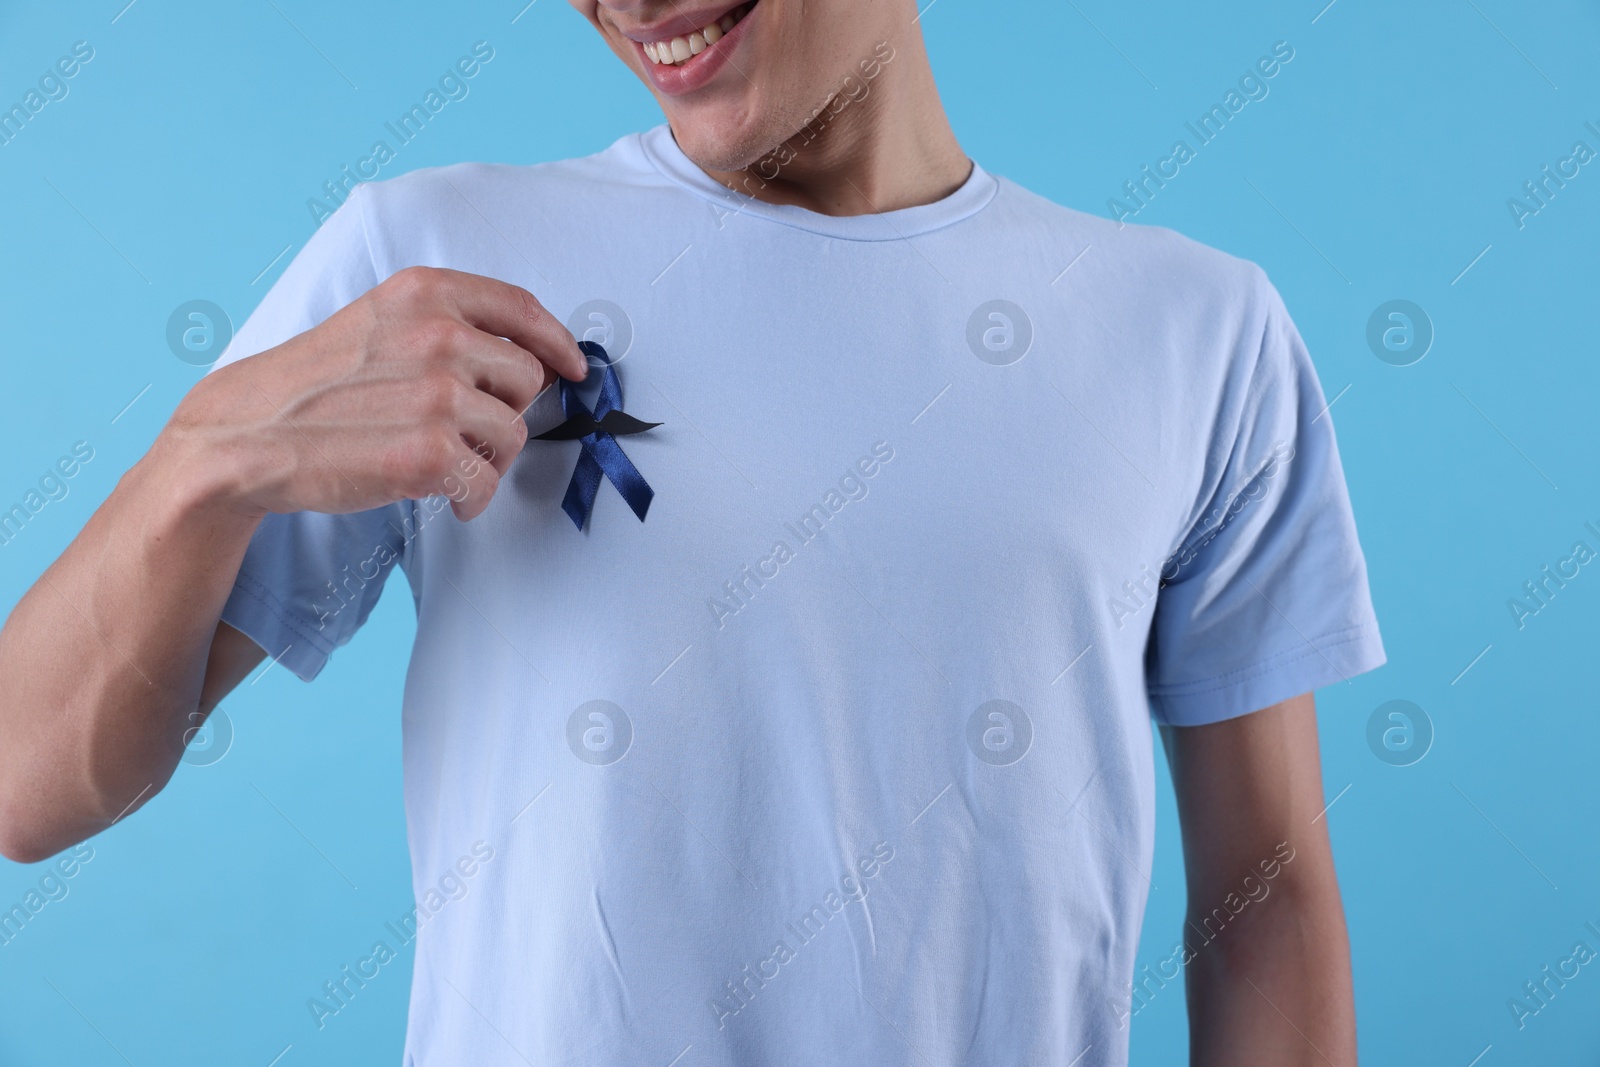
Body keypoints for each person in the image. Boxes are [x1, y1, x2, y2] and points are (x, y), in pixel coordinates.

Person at [0, 0, 1385, 1063]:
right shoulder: (428, 267)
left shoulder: (1196, 332)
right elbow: (28, 786)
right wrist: (205, 457)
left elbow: (1265, 886)